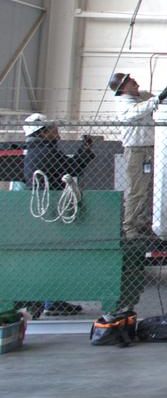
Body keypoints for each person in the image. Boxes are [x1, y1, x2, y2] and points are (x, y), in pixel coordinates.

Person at [21, 113, 94, 316]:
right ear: (43, 132)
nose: (57, 131)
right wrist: (85, 150)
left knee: (48, 256)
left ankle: (47, 300)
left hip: (44, 210)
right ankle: (50, 301)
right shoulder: (45, 152)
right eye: (52, 128)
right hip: (50, 211)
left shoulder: (36, 151)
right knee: (53, 256)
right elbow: (72, 168)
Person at [108, 72, 167, 239]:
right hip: (136, 150)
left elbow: (159, 104)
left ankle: (143, 223)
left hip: (151, 149)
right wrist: (158, 98)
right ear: (123, 88)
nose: (136, 83)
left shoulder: (143, 96)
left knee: (150, 189)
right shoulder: (123, 103)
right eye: (131, 82)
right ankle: (129, 227)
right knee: (137, 190)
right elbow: (136, 111)